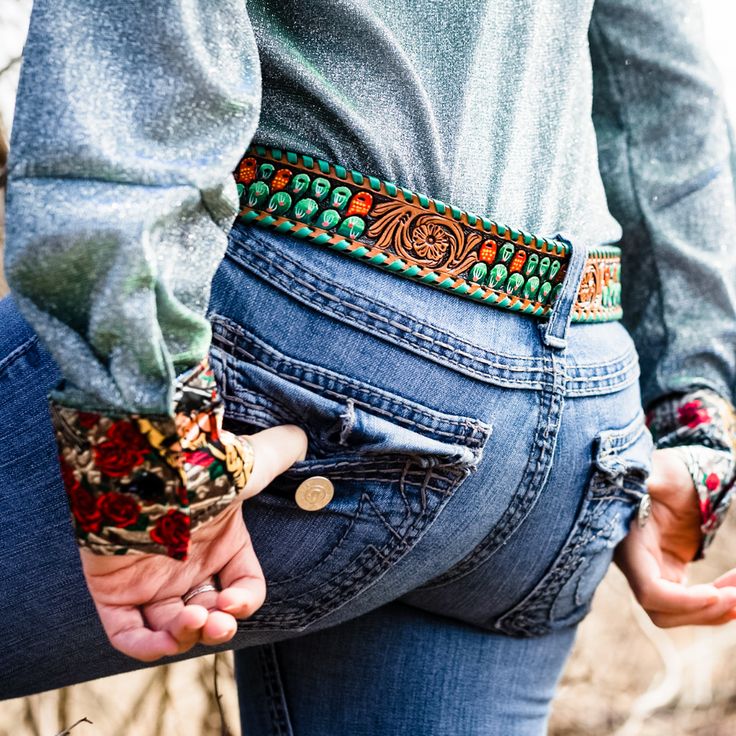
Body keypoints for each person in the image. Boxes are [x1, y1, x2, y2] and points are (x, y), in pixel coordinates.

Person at [1, 0, 736, 733]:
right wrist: (694, 428)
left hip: (300, 349)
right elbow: (660, 82)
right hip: (581, 425)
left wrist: (148, 451)